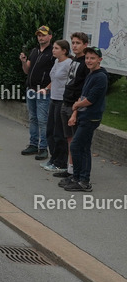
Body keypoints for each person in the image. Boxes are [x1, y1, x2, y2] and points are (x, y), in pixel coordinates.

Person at [63, 47, 108, 192]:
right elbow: (82, 96)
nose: (89, 61)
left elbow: (90, 100)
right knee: (82, 147)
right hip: (83, 115)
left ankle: (84, 181)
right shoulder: (91, 74)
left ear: (99, 60)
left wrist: (76, 105)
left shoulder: (100, 77)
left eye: (92, 58)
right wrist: (74, 113)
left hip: (91, 118)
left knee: (77, 146)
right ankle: (77, 178)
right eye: (87, 58)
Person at [56, 32, 90, 179]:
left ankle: (77, 172)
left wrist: (76, 108)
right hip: (66, 102)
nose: (75, 46)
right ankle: (70, 169)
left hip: (75, 105)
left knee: (76, 141)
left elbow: (84, 88)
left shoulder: (85, 63)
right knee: (69, 138)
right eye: (73, 43)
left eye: (78, 43)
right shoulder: (74, 60)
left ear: (85, 45)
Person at [19, 26, 54, 160]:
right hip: (31, 89)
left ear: (50, 37)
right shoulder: (34, 51)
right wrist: (23, 61)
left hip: (43, 91)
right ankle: (33, 144)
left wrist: (47, 88)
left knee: (43, 120)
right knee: (33, 118)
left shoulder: (52, 53)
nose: (41, 37)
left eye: (43, 35)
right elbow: (27, 70)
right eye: (39, 35)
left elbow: (56, 75)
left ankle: (43, 148)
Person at [41, 39, 73, 173]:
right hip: (53, 98)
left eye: (56, 48)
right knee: (50, 131)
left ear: (64, 51)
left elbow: (71, 82)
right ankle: (53, 158)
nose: (53, 50)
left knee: (59, 133)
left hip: (62, 100)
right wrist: (46, 89)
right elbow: (54, 79)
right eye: (53, 48)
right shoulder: (56, 62)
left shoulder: (68, 63)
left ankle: (61, 162)